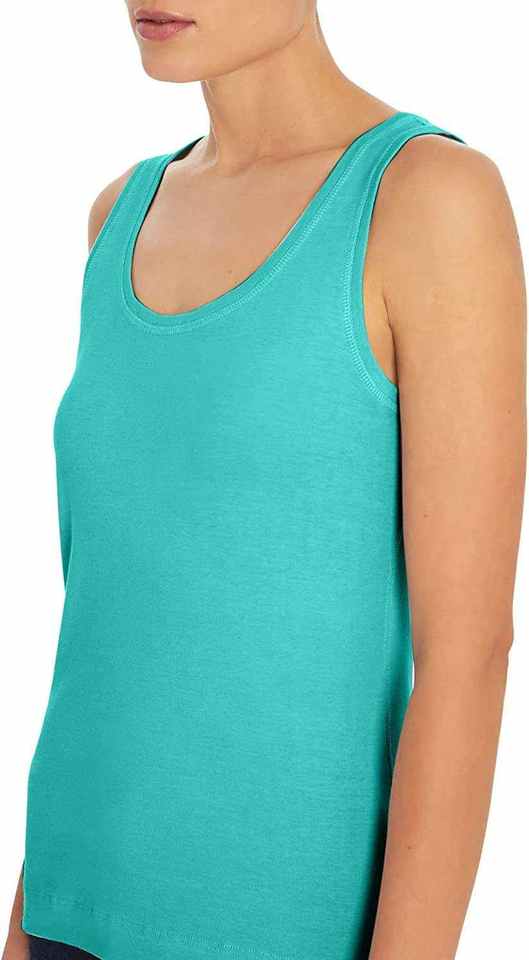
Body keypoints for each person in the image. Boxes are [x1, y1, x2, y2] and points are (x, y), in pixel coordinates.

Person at [3, 3, 526, 960]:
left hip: (277, 926)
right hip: (66, 909)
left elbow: (468, 656)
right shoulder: (119, 215)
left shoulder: (427, 200)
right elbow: (112, 625)